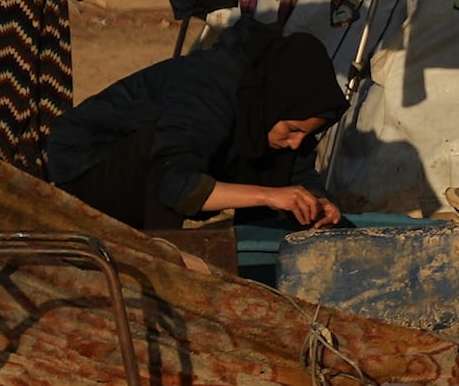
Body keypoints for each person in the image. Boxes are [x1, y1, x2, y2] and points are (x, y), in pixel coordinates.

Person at [29, 17, 352, 232]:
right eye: (294, 130)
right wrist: (269, 196)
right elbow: (173, 180)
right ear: (280, 107)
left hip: (158, 176)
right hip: (89, 177)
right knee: (161, 148)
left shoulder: (271, 100)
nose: (297, 142)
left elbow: (298, 172)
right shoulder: (209, 86)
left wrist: (318, 202)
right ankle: (165, 260)